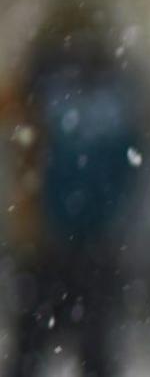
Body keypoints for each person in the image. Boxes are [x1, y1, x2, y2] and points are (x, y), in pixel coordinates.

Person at [5, 21, 141, 377]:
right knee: (96, 354)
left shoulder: (42, 92)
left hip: (47, 245)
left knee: (29, 354)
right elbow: (130, 171)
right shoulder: (117, 97)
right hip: (98, 244)